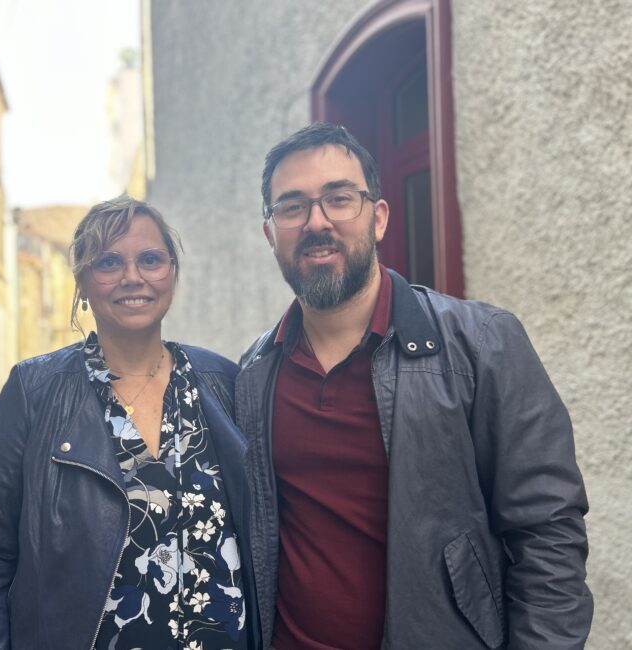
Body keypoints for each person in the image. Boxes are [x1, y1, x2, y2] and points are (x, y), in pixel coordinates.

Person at [237, 122, 592, 649]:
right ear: (270, 233)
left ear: (378, 217)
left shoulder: (481, 344)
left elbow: (548, 531)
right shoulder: (255, 372)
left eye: (339, 198)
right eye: (292, 207)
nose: (317, 222)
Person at [0, 196, 257, 649]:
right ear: (81, 281)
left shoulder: (223, 383)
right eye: (109, 262)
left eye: (150, 259)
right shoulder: (32, 393)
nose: (133, 276)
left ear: (172, 272)